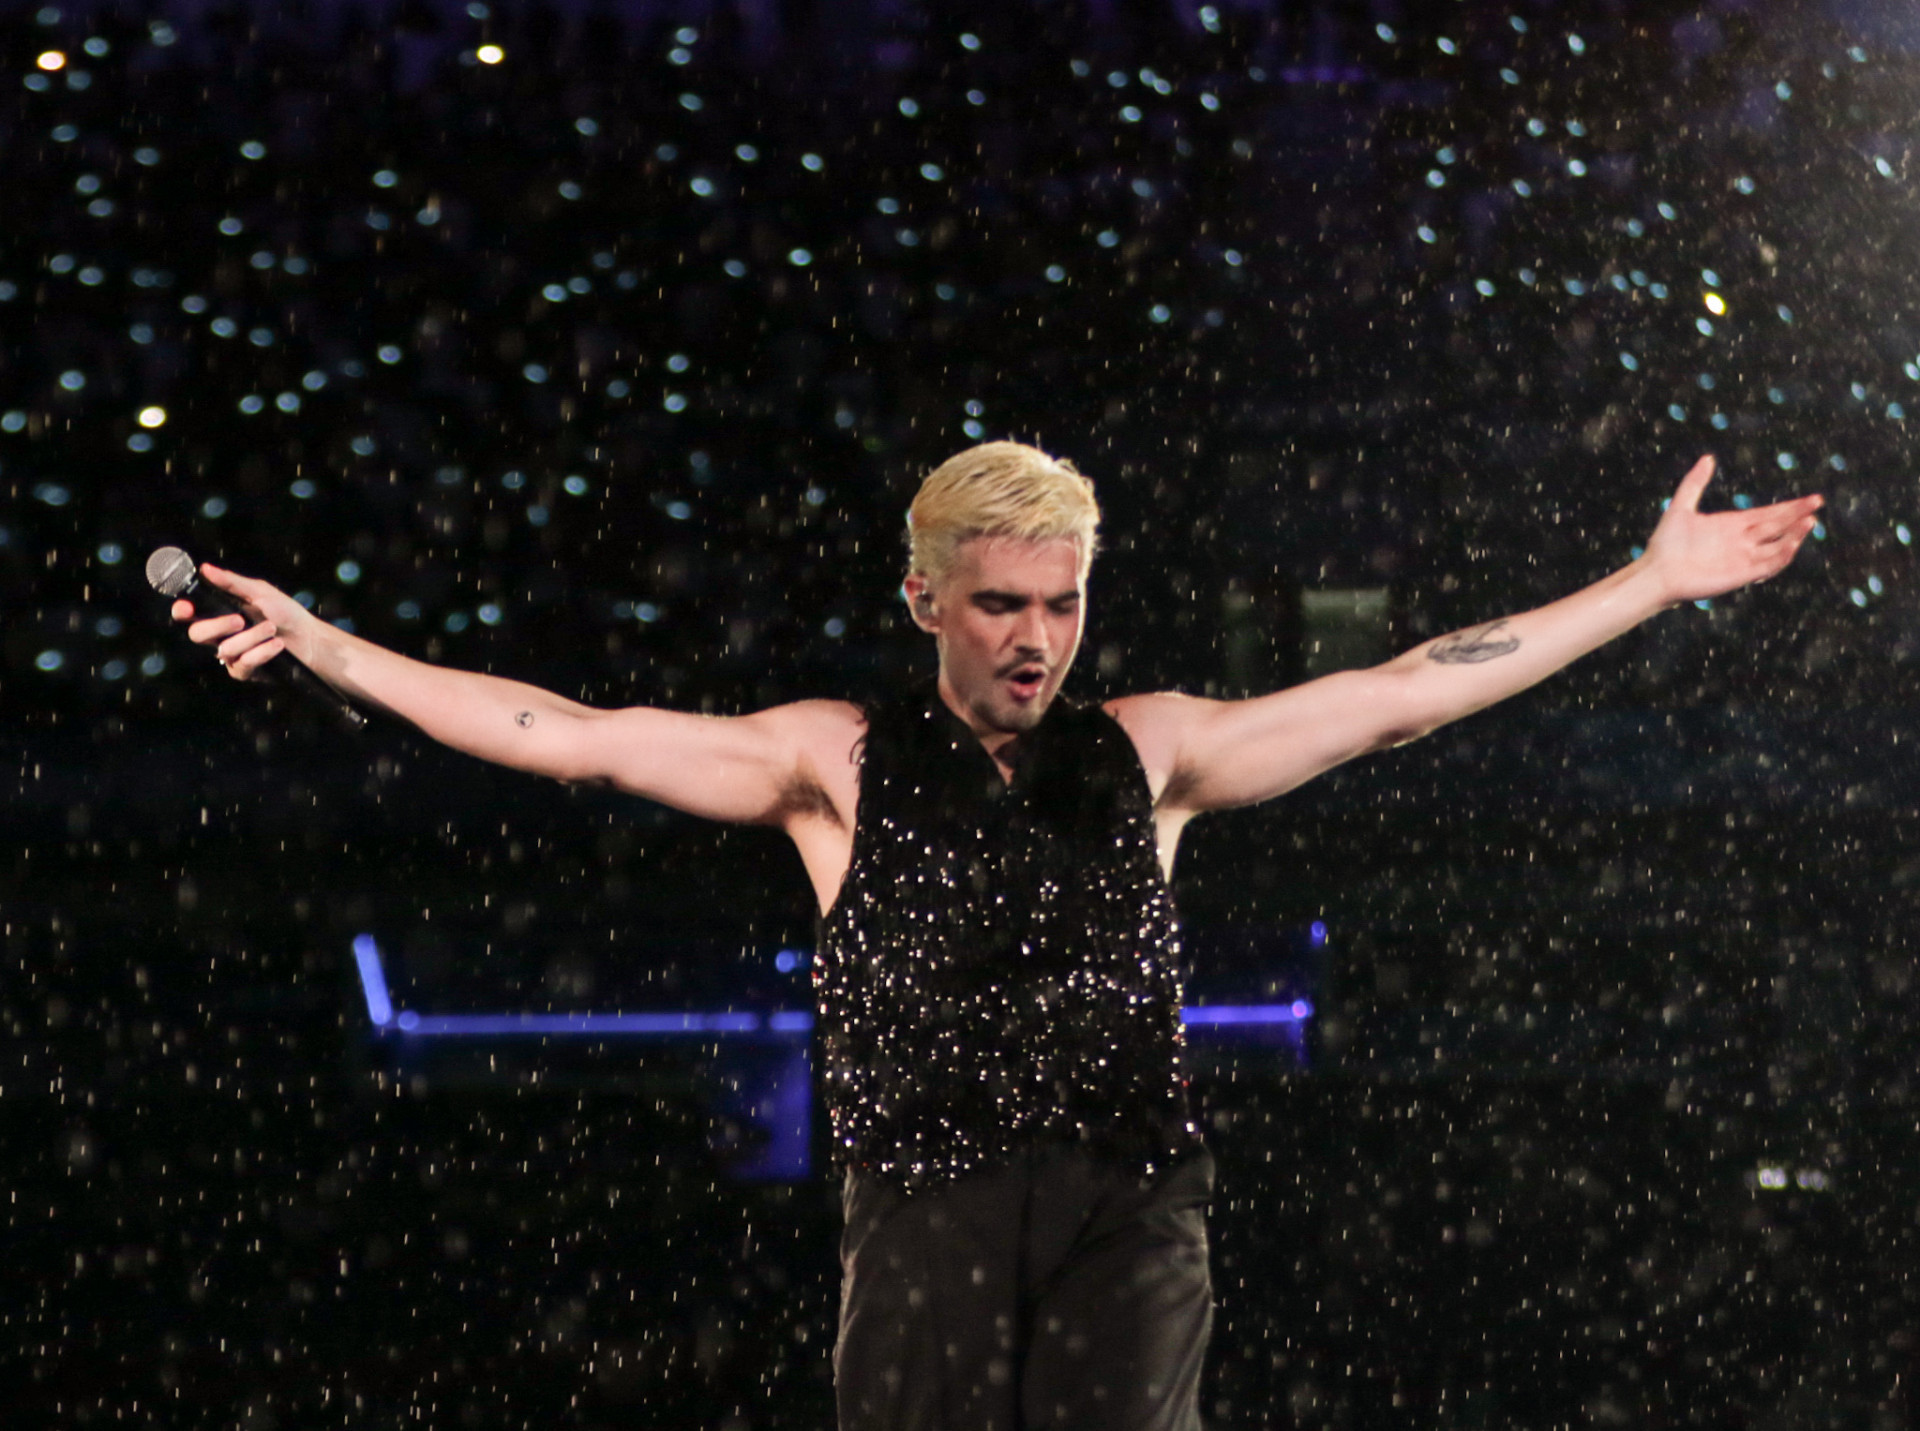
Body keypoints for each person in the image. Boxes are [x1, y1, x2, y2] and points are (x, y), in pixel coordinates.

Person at [174, 441, 1819, 1431]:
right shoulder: (829, 762)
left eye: (1061, 602)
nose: (1036, 640)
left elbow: (1400, 697)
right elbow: (562, 729)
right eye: (999, 605)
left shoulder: (1154, 747)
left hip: (1131, 1211)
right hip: (926, 1217)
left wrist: (1645, 585)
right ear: (925, 601)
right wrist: (329, 646)